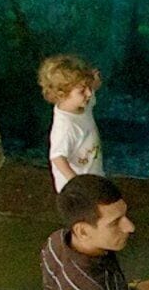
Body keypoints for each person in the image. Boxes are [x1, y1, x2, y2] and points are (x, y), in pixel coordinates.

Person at [40, 54, 106, 191]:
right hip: (77, 188)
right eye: (82, 91)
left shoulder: (82, 104)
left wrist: (94, 84)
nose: (89, 93)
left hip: (93, 174)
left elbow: (90, 92)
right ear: (61, 94)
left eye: (88, 87)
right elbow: (57, 157)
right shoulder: (65, 127)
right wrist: (76, 182)